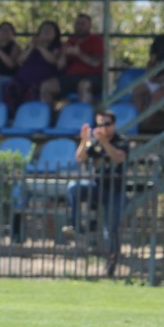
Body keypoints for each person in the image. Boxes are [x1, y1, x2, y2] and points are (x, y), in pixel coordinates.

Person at [64, 109, 131, 276]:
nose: (103, 127)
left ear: (114, 125)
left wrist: (105, 142)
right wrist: (84, 140)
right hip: (97, 187)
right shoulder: (94, 141)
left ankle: (111, 264)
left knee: (110, 230)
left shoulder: (121, 140)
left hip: (115, 190)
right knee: (73, 187)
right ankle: (76, 226)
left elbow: (118, 158)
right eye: (99, 124)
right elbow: (80, 158)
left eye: (107, 124)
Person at [45, 12, 104, 105]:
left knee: (84, 85)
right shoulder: (70, 41)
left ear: (90, 26)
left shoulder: (97, 40)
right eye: (77, 24)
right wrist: (63, 54)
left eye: (83, 24)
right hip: (72, 77)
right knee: (47, 86)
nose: (79, 26)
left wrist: (79, 54)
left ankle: (83, 113)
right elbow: (60, 66)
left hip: (92, 77)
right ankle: (49, 113)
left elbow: (96, 63)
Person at [3, 20, 61, 113]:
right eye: (44, 30)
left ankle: (31, 116)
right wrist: (31, 47)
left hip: (41, 81)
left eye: (49, 30)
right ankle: (11, 115)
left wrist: (40, 47)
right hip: (22, 80)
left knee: (32, 93)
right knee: (10, 87)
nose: (46, 32)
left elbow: (53, 60)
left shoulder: (57, 47)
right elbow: (19, 60)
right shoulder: (31, 47)